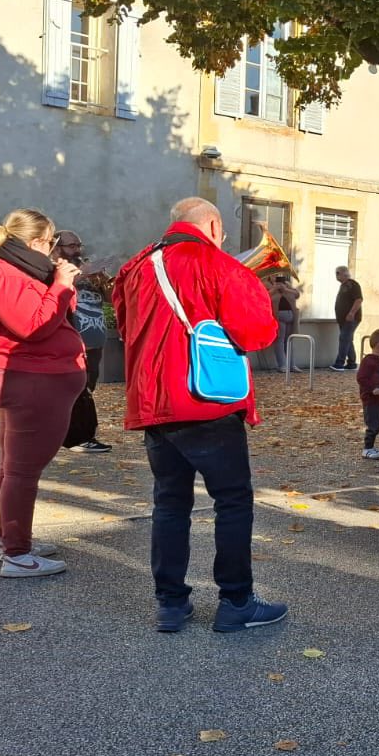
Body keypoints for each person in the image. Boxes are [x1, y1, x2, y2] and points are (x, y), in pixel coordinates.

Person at [113, 197, 283, 632]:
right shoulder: (218, 264)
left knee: (170, 504)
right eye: (222, 232)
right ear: (211, 225)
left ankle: (170, 603)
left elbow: (125, 329)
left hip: (153, 402)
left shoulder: (135, 268)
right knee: (232, 501)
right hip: (205, 400)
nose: (223, 239)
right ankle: (236, 601)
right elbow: (257, 332)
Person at [0, 209, 87, 578]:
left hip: (35, 376)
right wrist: (61, 285)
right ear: (37, 241)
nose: (54, 252)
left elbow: (56, 311)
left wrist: (59, 284)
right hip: (30, 377)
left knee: (14, 467)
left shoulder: (15, 270)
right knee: (21, 470)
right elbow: (33, 325)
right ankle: (16, 554)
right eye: (51, 243)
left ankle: (15, 539)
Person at [51, 230, 113, 453]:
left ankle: (73, 433)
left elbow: (112, 300)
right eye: (72, 245)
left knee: (88, 387)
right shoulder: (56, 268)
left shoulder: (86, 268)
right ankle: (77, 436)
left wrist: (104, 281)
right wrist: (82, 275)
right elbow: (56, 291)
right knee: (78, 389)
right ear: (57, 247)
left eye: (79, 244)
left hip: (95, 340)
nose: (78, 249)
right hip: (73, 341)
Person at [357, 329, 379, 459]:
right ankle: (367, 449)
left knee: (378, 423)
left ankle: (371, 447)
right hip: (370, 399)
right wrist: (372, 389)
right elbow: (361, 378)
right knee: (372, 424)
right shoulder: (368, 361)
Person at [267, 274, 303, 372]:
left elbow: (297, 294)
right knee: (279, 341)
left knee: (290, 340)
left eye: (278, 276)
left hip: (291, 316)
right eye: (274, 276)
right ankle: (282, 365)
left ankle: (292, 365)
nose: (276, 278)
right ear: (270, 277)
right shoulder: (267, 286)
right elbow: (264, 297)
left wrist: (286, 289)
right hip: (277, 316)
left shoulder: (287, 285)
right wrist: (274, 289)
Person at [330, 265, 363, 370]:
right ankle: (352, 362)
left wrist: (351, 313)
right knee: (348, 339)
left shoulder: (352, 284)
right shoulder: (344, 285)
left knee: (344, 339)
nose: (336, 275)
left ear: (344, 273)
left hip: (351, 319)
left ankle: (339, 363)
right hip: (344, 319)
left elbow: (359, 299)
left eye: (337, 273)